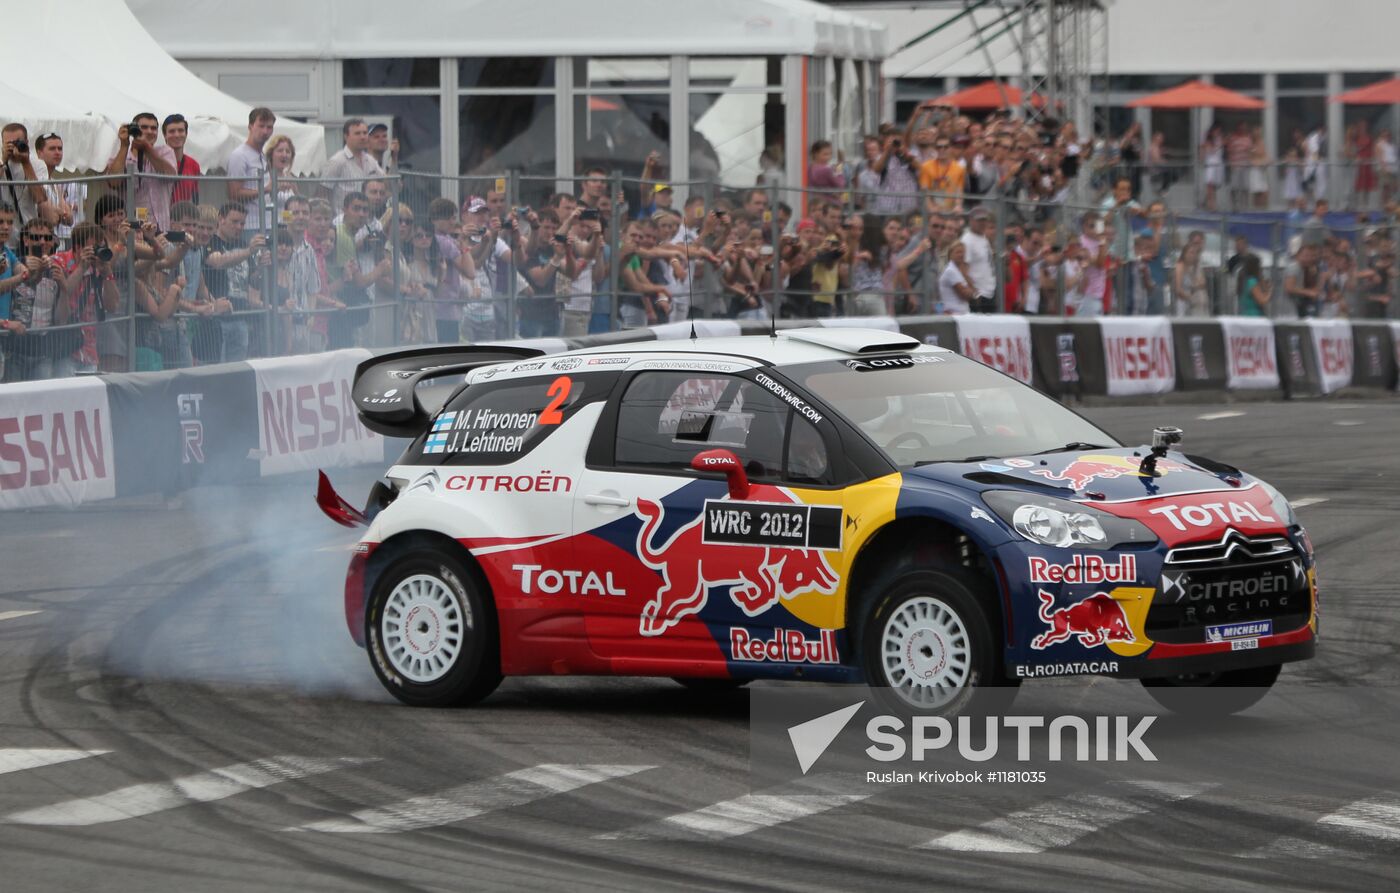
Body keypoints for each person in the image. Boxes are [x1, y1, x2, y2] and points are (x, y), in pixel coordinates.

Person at [2, 124, 57, 241]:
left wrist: (26, 163)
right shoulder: (1, 162)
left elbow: (40, 198)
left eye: (17, 142)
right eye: (8, 143)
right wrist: (3, 160)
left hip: (29, 237)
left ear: (26, 142)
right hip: (4, 235)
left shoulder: (37, 164)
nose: (13, 147)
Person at [227, 107, 277, 232]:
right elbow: (234, 194)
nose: (265, 131)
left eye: (269, 127)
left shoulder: (263, 156)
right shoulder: (239, 155)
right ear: (250, 126)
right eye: (261, 126)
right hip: (249, 226)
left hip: (267, 223)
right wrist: (265, 190)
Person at [324, 119, 385, 213]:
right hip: (342, 221)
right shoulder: (337, 161)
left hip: (365, 219)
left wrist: (394, 159)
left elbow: (387, 183)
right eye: (357, 133)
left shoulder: (371, 160)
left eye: (365, 133)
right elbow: (323, 194)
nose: (362, 137)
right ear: (346, 136)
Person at [162, 114, 202, 205]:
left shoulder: (194, 165)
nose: (177, 135)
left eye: (180, 131)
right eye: (172, 131)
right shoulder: (155, 161)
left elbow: (195, 199)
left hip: (182, 217)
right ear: (165, 135)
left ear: (186, 134)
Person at [1283, 243, 1323, 318]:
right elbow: (1289, 288)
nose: (1309, 259)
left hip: (1296, 307)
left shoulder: (1305, 269)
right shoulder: (1294, 267)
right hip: (1287, 309)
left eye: (1311, 256)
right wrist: (1308, 292)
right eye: (1306, 256)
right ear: (1297, 256)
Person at [937, 241, 975, 314]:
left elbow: (973, 292)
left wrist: (970, 290)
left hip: (962, 314)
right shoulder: (950, 271)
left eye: (963, 252)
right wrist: (970, 291)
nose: (962, 255)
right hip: (954, 314)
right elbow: (964, 295)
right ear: (950, 254)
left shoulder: (959, 271)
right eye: (958, 252)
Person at [1355, 248, 1394, 319]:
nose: (1387, 263)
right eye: (1384, 260)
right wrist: (1379, 298)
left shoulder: (1387, 277)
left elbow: (1388, 296)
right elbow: (1364, 296)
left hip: (1383, 312)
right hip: (1370, 311)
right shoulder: (1370, 274)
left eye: (1388, 260)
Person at [1173, 241, 1209, 317]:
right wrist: (1190, 298)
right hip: (1182, 303)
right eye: (1191, 252)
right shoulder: (1180, 266)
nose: (1193, 255)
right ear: (1184, 254)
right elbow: (1178, 289)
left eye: (1194, 253)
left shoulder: (1191, 268)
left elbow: (1200, 283)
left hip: (1190, 302)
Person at [265, 135, 298, 209]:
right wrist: (276, 190)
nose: (284, 155)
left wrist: (296, 191)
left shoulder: (290, 177)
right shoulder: (264, 177)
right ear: (271, 154)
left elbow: (298, 204)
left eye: (288, 151)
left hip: (287, 219)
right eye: (280, 151)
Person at [1349, 120, 1376, 210]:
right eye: (1361, 126)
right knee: (1359, 184)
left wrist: (1372, 158)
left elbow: (1372, 149)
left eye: (1364, 126)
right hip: (1359, 164)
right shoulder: (1356, 138)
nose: (1363, 127)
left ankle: (1366, 204)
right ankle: (1357, 204)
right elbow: (1353, 150)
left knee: (1367, 185)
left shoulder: (1369, 137)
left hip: (1367, 163)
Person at [1200, 124, 1225, 211]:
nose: (1217, 133)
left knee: (1214, 186)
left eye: (1219, 131)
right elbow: (1209, 150)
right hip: (1210, 164)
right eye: (1216, 131)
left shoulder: (1219, 139)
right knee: (1209, 184)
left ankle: (1206, 202)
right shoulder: (1207, 140)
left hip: (1218, 164)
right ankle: (1211, 205)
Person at [1249, 125, 1270, 209]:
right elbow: (1251, 159)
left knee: (1265, 192)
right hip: (1255, 171)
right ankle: (1256, 211)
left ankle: (1264, 210)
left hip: (1262, 170)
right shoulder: (1251, 144)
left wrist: (1264, 161)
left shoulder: (1261, 143)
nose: (1258, 134)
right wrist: (1258, 162)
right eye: (1256, 132)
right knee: (1256, 193)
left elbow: (1266, 156)